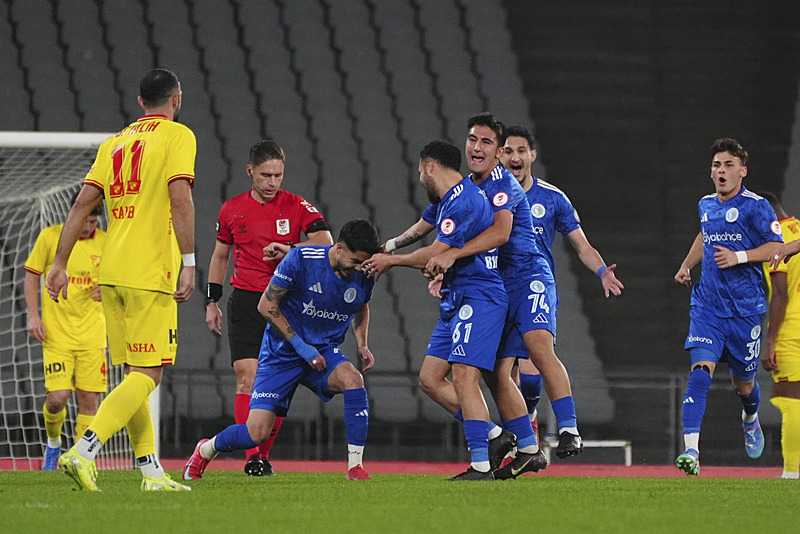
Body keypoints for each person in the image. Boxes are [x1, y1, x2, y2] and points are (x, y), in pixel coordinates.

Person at [45, 68, 196, 491]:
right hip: (151, 271)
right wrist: (189, 260)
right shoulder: (177, 136)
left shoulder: (114, 143)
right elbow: (180, 198)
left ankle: (150, 471)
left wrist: (59, 263)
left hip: (110, 271)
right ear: (176, 100)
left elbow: (81, 204)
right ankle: (84, 450)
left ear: (140, 101)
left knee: (135, 373)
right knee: (149, 374)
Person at [412, 114, 583, 469]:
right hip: (495, 284)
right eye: (472, 139)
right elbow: (429, 227)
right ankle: (527, 449)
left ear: (499, 152)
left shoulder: (503, 184)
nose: (476, 147)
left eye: (486, 142)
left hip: (529, 276)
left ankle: (568, 429)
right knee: (495, 374)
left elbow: (501, 234)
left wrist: (449, 256)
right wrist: (431, 262)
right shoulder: (465, 189)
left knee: (538, 347)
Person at [363, 140, 539, 480]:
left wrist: (392, 261)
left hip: (480, 296)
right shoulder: (448, 202)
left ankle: (481, 465)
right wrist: (385, 248)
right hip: (456, 298)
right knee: (430, 379)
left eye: (420, 172)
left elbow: (435, 252)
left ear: (430, 166)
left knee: (464, 376)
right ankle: (495, 435)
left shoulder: (465, 200)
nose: (420, 179)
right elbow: (421, 233)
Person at [183, 220, 380, 481]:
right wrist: (301, 347)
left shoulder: (365, 271)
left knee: (353, 379)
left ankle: (355, 467)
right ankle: (205, 449)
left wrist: (362, 344)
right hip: (282, 353)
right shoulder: (301, 259)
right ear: (340, 247)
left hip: (322, 351)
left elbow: (361, 305)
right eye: (355, 261)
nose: (358, 268)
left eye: (362, 263)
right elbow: (266, 305)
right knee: (255, 434)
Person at [206, 140, 332, 476]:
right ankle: (253, 458)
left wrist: (291, 248)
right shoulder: (231, 210)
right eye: (265, 175)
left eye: (278, 175)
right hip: (246, 300)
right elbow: (220, 255)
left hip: (282, 302)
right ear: (250, 171)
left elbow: (325, 242)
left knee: (275, 384)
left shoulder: (296, 205)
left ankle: (262, 454)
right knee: (246, 377)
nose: (272, 182)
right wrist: (211, 301)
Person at [499, 125, 623, 439]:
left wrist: (602, 271)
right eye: (509, 151)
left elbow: (582, 245)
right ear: (500, 155)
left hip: (534, 285)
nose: (515, 157)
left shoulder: (552, 198)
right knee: (502, 373)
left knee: (532, 372)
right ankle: (520, 438)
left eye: (521, 151)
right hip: (497, 287)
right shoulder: (489, 195)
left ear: (532, 155)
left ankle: (547, 421)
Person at [673, 138, 783, 476]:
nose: (721, 171)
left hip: (745, 311)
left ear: (742, 171)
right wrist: (687, 264)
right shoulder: (705, 204)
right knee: (699, 374)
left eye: (729, 165)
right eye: (717, 165)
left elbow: (776, 247)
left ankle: (750, 417)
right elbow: (704, 236)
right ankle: (692, 452)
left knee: (744, 386)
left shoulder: (756, 206)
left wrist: (740, 257)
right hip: (707, 307)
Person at [24, 198, 107, 471]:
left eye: (93, 222)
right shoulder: (51, 237)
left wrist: (108, 288)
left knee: (89, 400)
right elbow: (31, 276)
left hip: (93, 335)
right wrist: (33, 315)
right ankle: (53, 443)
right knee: (57, 398)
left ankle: (81, 461)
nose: (88, 226)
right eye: (85, 220)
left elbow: (119, 279)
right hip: (57, 335)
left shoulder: (106, 242)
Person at [760, 191, 800, 479]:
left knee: (791, 400)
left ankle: (791, 473)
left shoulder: (776, 243)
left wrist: (770, 340)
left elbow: (781, 293)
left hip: (791, 330)